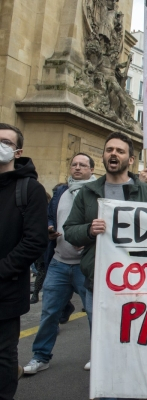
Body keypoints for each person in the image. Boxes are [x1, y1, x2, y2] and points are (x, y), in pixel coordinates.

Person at [63, 132, 147, 374]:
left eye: (120, 151)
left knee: (139, 338)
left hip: (140, 283)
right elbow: (70, 231)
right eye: (109, 150)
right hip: (97, 282)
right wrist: (89, 230)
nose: (113, 154)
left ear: (131, 159)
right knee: (103, 340)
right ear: (103, 156)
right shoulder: (88, 192)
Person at [23, 153, 97, 375]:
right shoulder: (60, 193)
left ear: (92, 170)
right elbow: (48, 216)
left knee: (94, 315)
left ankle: (98, 356)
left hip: (85, 267)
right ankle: (40, 357)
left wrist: (89, 241)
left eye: (82, 165)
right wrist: (49, 228)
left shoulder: (96, 194)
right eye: (74, 164)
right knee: (49, 313)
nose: (77, 168)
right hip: (58, 262)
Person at [0, 123, 48, 399]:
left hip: (6, 290)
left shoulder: (29, 190)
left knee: (3, 356)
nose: (1, 146)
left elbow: (34, 241)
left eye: (6, 142)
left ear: (17, 151)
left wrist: (3, 269)